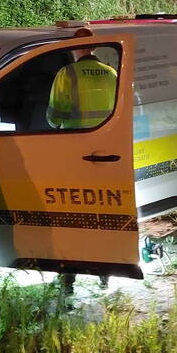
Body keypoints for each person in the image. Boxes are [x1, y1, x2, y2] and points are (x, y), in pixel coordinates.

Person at [47, 47, 118, 294]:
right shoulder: (111, 74)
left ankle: (68, 281)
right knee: (103, 217)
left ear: (76, 50)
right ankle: (105, 275)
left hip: (75, 153)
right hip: (107, 155)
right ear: (95, 47)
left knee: (73, 218)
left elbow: (55, 116)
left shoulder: (68, 74)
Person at [46, 48, 118, 130]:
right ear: (94, 48)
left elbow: (54, 119)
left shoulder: (67, 72)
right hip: (107, 134)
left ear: (74, 48)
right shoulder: (112, 73)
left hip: (76, 136)